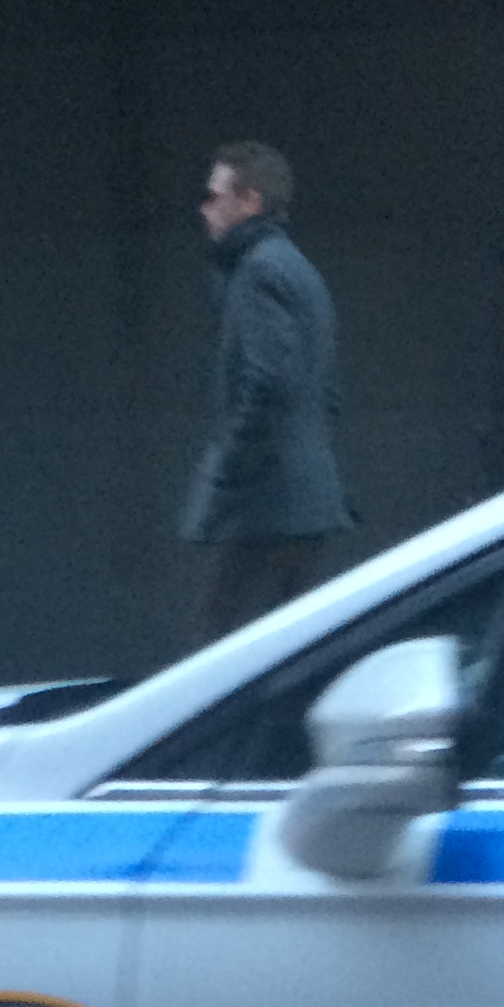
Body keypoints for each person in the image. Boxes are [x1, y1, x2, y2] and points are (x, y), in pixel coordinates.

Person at [178, 141, 353, 643]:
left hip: (265, 501)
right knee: (292, 647)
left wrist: (229, 467)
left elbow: (268, 381)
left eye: (214, 196)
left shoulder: (257, 271)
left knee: (219, 647)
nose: (204, 209)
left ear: (249, 200)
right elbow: (324, 389)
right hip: (304, 499)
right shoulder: (296, 268)